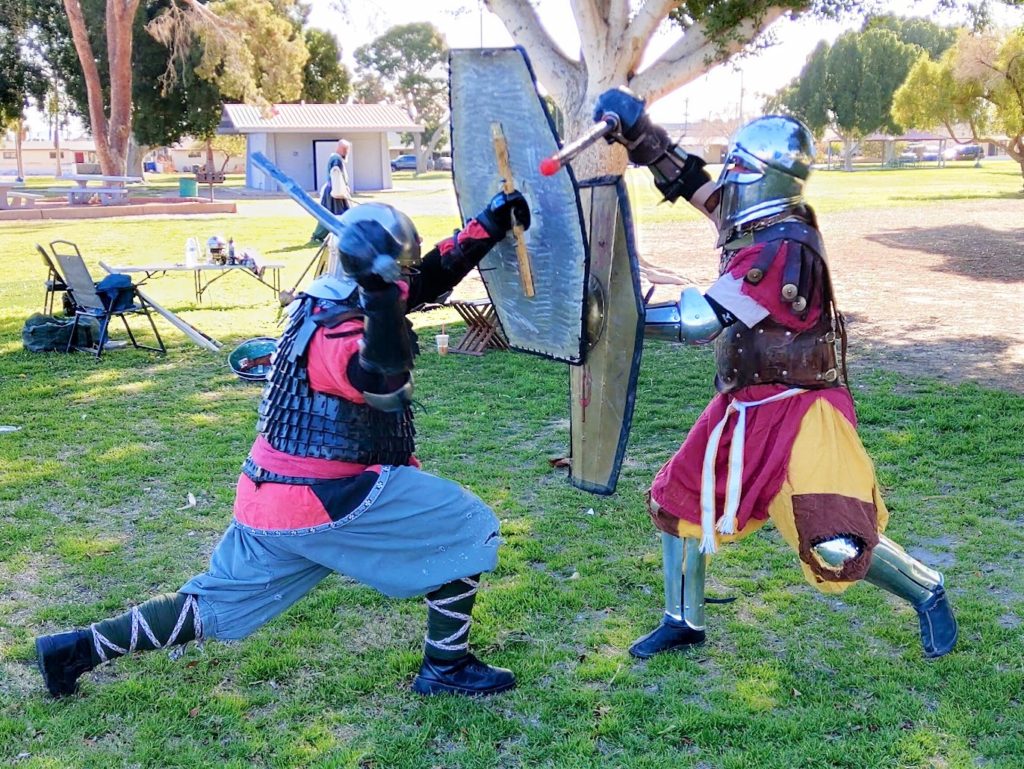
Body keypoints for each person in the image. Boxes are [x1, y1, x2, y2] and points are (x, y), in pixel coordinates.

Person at [35, 190, 532, 699]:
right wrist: (382, 302)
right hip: (329, 496)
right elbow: (382, 382)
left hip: (270, 495)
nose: (406, 283)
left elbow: (425, 279)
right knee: (466, 524)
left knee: (215, 605)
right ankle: (446, 668)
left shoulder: (331, 295)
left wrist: (489, 224)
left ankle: (75, 649)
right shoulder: (336, 328)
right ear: (378, 274)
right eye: (395, 277)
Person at [591, 87, 958, 660]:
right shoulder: (758, 225)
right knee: (683, 501)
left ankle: (926, 589)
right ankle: (683, 619)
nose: (728, 178)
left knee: (834, 539)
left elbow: (700, 321)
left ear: (764, 175)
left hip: (806, 407)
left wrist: (618, 320)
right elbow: (697, 186)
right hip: (745, 401)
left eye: (738, 166)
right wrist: (643, 137)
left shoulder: (785, 244)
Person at [311, 140, 353, 243]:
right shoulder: (336, 159)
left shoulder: (336, 158)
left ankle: (344, 235)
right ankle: (317, 236)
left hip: (335, 190)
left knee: (338, 213)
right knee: (332, 214)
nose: (346, 152)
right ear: (340, 149)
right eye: (345, 150)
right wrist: (340, 190)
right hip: (335, 192)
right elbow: (336, 174)